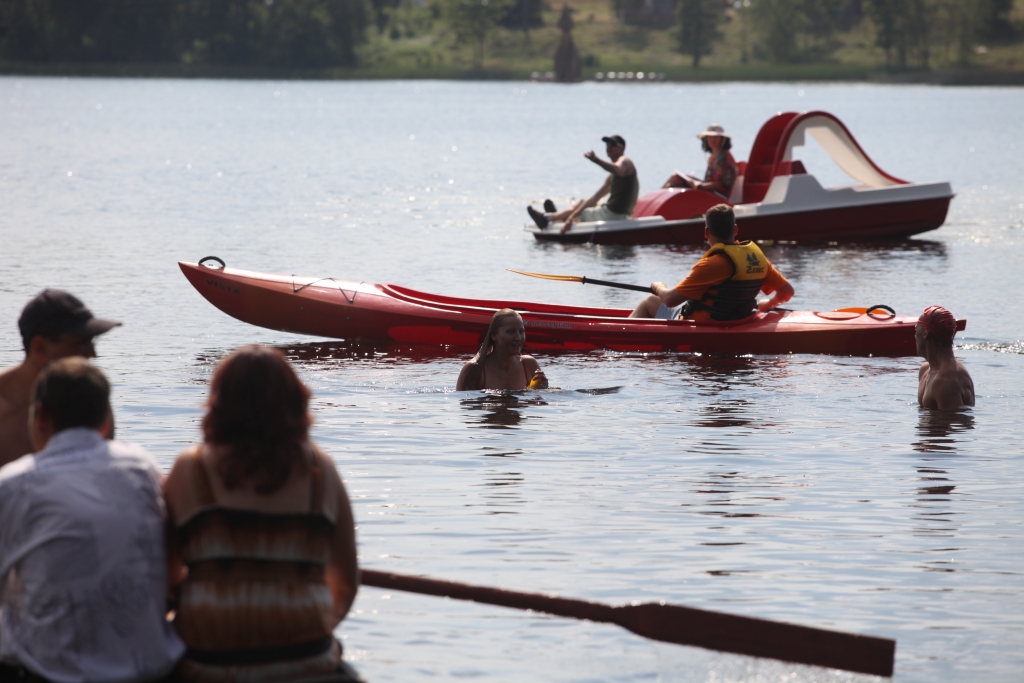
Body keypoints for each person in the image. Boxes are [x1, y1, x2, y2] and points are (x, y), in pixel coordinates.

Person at [162, 345, 362, 683]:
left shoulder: (190, 469)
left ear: (219, 403)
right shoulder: (321, 471)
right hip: (308, 658)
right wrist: (305, 629)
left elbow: (164, 576)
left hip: (209, 663)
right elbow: (345, 583)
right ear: (295, 402)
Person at [0, 358, 184, 682]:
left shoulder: (16, 484)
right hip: (153, 670)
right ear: (104, 420)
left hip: (52, 674)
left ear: (40, 416)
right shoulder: (142, 468)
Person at [0, 289, 120, 468]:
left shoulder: (90, 396)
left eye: (92, 342)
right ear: (40, 348)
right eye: (82, 344)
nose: (93, 354)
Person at [630, 204, 794, 321]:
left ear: (706, 232)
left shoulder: (710, 265)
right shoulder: (758, 259)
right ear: (735, 230)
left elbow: (670, 300)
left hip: (703, 324)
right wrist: (768, 304)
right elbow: (787, 292)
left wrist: (658, 287)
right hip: (739, 319)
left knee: (650, 302)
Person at [526, 135, 639, 234]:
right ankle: (553, 217)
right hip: (617, 214)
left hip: (613, 215)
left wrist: (596, 160)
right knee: (583, 202)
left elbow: (617, 169)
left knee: (582, 211)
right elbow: (595, 198)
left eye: (613, 144)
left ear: (622, 148)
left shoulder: (625, 161)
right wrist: (572, 216)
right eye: (607, 144)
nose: (609, 146)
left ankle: (550, 218)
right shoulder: (612, 176)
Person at [457, 309, 548, 391]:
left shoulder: (529, 365)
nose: (518, 338)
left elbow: (536, 406)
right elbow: (465, 407)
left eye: (521, 331)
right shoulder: (475, 369)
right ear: (494, 335)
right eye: (511, 331)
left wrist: (542, 390)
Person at [916, 305, 975, 410]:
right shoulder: (925, 370)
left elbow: (954, 424)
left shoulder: (945, 382)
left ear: (925, 334)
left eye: (916, 330)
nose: (914, 336)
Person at [662, 124, 739, 200]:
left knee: (677, 181)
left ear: (722, 139)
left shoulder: (725, 157)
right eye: (710, 137)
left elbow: (720, 184)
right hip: (710, 190)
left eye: (716, 137)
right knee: (677, 177)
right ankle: (659, 199)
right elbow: (709, 181)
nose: (712, 140)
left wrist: (699, 186)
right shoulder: (714, 156)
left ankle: (661, 200)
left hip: (718, 196)